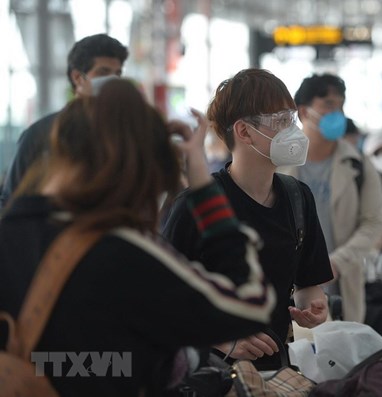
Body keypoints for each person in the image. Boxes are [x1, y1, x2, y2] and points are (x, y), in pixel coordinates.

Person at [0, 79, 276, 396]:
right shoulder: (124, 253)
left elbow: (71, 361)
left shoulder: (9, 234)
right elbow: (251, 303)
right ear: (138, 172)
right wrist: (202, 186)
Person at [161, 68, 333, 371]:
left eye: (291, 119)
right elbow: (161, 300)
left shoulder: (297, 198)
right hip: (210, 374)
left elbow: (307, 285)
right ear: (243, 131)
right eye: (280, 121)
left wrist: (314, 308)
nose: (293, 130)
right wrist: (221, 339)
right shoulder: (197, 205)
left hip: (276, 371)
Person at [282, 73, 382, 323]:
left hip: (341, 289)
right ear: (304, 112)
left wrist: (335, 263)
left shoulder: (359, 165)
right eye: (328, 104)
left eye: (340, 105)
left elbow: (372, 223)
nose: (337, 113)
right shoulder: (279, 164)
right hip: (288, 288)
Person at [0, 33, 129, 208]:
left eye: (117, 74)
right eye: (103, 72)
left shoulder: (124, 134)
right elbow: (11, 201)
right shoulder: (41, 134)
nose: (113, 82)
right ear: (78, 77)